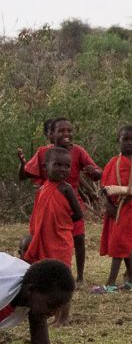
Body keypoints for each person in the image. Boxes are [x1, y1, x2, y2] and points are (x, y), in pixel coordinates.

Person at [17, 116, 102, 282]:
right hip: (46, 200)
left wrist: (95, 174)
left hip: (70, 202)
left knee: (78, 238)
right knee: (41, 239)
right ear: (51, 134)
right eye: (61, 130)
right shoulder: (43, 153)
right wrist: (22, 163)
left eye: (69, 130)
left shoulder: (78, 152)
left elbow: (93, 173)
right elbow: (25, 174)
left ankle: (79, 277)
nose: (67, 133)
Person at [23, 148, 83, 326]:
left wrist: (62, 222)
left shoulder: (66, 189)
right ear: (45, 166)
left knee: (63, 277)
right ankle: (50, 312)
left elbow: (78, 214)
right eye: (58, 165)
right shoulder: (42, 187)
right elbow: (38, 213)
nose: (63, 169)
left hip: (62, 238)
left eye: (67, 166)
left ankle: (63, 317)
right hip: (45, 238)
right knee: (48, 276)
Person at [93, 125, 132, 293]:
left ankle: (110, 283)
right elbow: (104, 188)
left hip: (129, 206)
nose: (129, 143)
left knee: (119, 242)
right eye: (125, 139)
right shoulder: (113, 162)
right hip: (114, 207)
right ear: (118, 141)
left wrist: (121, 193)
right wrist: (107, 204)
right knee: (124, 242)